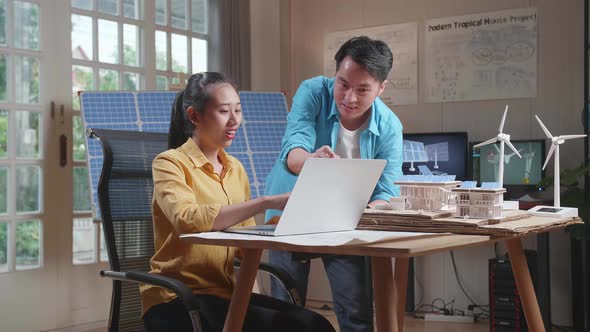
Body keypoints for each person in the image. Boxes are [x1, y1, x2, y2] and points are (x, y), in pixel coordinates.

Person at [140, 72, 335, 332]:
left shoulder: (235, 168)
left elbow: (244, 240)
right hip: (178, 297)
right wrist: (265, 202)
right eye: (223, 111)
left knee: (314, 324)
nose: (234, 121)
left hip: (224, 294)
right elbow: (187, 220)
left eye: (238, 110)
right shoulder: (169, 163)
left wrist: (299, 216)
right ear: (194, 116)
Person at [264, 36, 404, 332]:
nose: (349, 98)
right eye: (343, 84)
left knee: (356, 311)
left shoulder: (390, 126)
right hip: (290, 212)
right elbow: (293, 150)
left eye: (363, 89)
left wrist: (366, 210)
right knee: (287, 309)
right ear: (335, 74)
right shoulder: (313, 91)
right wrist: (313, 163)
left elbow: (387, 190)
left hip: (346, 220)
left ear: (381, 88)